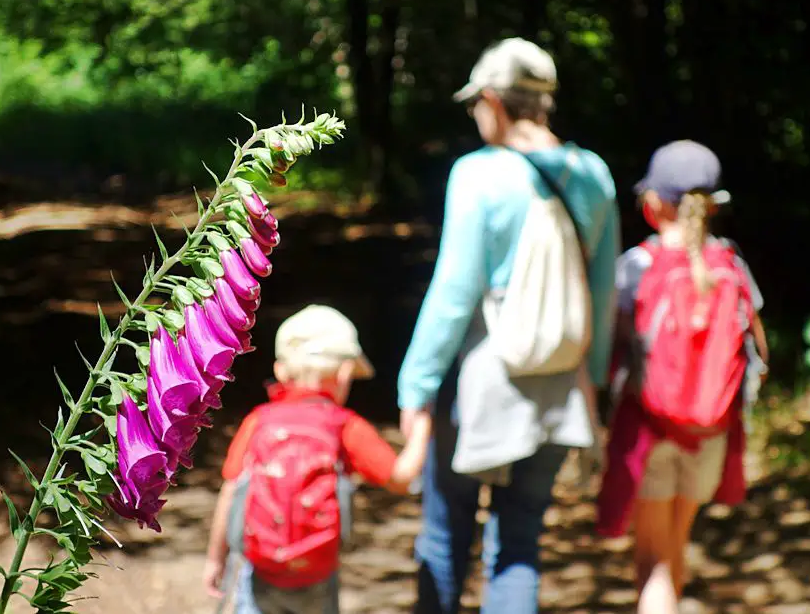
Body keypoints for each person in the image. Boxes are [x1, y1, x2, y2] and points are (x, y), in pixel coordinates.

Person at [397, 37, 620, 614]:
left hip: (480, 389)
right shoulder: (593, 175)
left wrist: (416, 387)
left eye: (476, 104)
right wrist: (590, 381)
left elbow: (454, 292)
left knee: (445, 539)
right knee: (518, 544)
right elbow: (601, 295)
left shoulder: (478, 174)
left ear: (493, 101)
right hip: (558, 389)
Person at [596, 140, 769, 606]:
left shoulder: (636, 267)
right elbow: (758, 352)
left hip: (649, 430)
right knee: (675, 545)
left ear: (652, 205)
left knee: (651, 558)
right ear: (712, 206)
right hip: (710, 431)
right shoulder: (731, 264)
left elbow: (609, 351)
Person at [203, 304, 432, 614]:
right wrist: (422, 427)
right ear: (345, 373)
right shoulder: (344, 426)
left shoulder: (260, 421)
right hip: (317, 574)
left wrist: (215, 559)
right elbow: (402, 478)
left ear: (280, 370)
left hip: (261, 568)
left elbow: (231, 491)